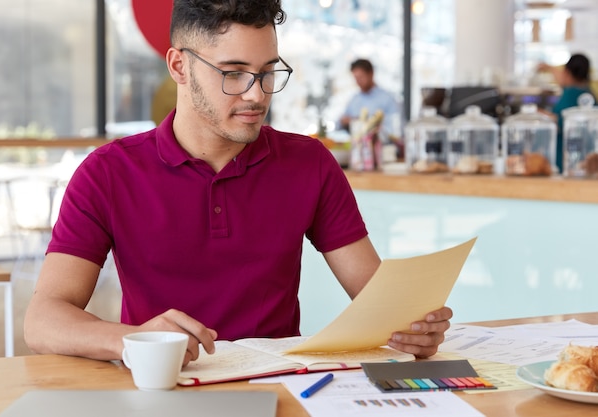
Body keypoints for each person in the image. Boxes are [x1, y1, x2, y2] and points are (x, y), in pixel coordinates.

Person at [23, 0, 452, 367]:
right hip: (163, 387)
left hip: (279, 387)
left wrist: (411, 327)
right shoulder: (107, 173)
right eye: (234, 72)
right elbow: (43, 319)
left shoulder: (310, 164)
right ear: (179, 66)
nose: (257, 95)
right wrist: (131, 340)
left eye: (268, 72)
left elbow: (377, 299)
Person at [537, 53, 596, 171]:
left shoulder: (569, 93)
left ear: (567, 73)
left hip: (566, 157)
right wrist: (549, 67)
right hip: (589, 158)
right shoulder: (589, 93)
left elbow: (561, 120)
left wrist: (541, 114)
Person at [338, 58, 400, 136]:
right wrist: (344, 121)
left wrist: (369, 124)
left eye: (361, 77)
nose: (358, 81)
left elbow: (396, 129)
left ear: (371, 73)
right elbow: (340, 123)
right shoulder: (354, 100)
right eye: (356, 78)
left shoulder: (388, 99)